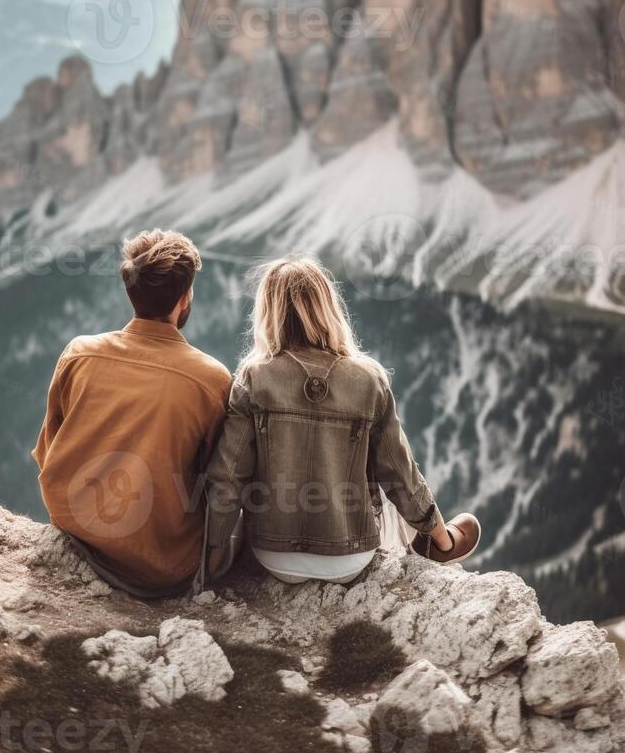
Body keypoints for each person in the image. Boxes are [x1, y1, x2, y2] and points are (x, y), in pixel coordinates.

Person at [205, 256, 481, 585]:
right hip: (349, 557)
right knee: (385, 468)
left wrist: (215, 556)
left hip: (272, 554)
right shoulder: (370, 378)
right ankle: (435, 544)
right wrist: (444, 539)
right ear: (327, 308)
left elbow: (229, 475)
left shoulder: (253, 376)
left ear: (269, 313)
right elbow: (401, 476)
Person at [32, 228, 234, 598]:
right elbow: (216, 481)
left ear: (130, 291)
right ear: (185, 298)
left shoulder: (79, 353)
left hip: (73, 530)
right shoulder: (212, 380)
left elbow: (48, 449)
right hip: (158, 565)